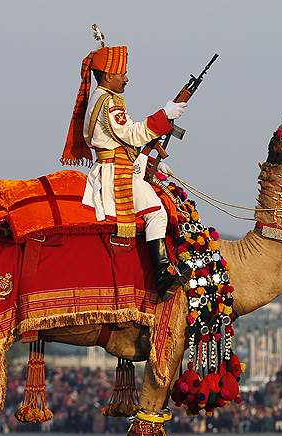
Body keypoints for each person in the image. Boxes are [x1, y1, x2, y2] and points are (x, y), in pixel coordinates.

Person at [60, 30, 186, 297]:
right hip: (116, 173)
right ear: (108, 76)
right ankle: (162, 273)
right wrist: (165, 114)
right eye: (122, 74)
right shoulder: (108, 103)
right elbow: (132, 134)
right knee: (158, 213)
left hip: (120, 165)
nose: (127, 79)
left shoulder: (103, 99)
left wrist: (147, 158)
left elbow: (123, 143)